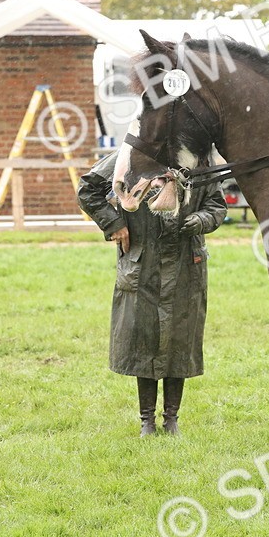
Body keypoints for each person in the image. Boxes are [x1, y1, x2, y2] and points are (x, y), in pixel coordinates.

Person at [77, 152, 228, 436]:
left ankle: (172, 418)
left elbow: (216, 205)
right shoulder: (131, 155)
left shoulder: (197, 160)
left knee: (180, 340)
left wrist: (201, 219)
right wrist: (114, 223)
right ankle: (146, 419)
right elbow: (88, 189)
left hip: (186, 262)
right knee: (143, 338)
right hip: (141, 263)